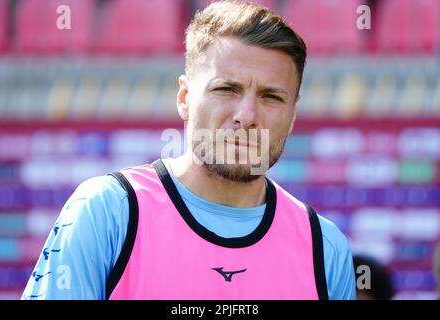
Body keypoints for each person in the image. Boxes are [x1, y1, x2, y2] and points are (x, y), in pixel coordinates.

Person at [22, 0, 356, 300]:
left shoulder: (324, 248)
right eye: (226, 89)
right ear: (185, 99)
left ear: (293, 115)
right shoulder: (108, 211)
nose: (247, 116)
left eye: (271, 96)